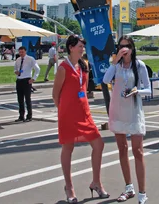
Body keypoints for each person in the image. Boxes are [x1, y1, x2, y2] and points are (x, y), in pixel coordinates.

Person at [52, 35, 108, 203]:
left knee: (99, 144)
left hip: (85, 113)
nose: (82, 48)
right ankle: (69, 187)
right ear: (71, 47)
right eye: (79, 45)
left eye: (83, 45)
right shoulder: (63, 68)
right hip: (68, 114)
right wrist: (63, 111)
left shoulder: (84, 66)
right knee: (68, 148)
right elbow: (55, 95)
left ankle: (96, 182)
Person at [103, 36, 151, 204]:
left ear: (132, 48)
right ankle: (129, 187)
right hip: (118, 110)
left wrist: (138, 91)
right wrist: (115, 61)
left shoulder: (139, 65)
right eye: (121, 46)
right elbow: (105, 80)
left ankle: (142, 192)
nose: (124, 49)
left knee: (138, 151)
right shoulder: (116, 65)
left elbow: (148, 89)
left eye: (127, 46)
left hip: (133, 111)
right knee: (122, 149)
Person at [14, 46, 41, 122]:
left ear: (25, 51)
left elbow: (37, 69)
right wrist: (16, 71)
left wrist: (33, 78)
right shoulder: (18, 60)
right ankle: (21, 116)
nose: (21, 53)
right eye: (20, 52)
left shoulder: (30, 59)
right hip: (19, 80)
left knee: (27, 99)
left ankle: (29, 116)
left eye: (22, 52)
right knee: (20, 99)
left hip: (27, 80)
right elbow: (15, 68)